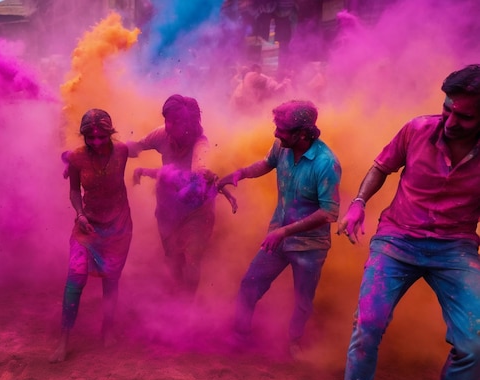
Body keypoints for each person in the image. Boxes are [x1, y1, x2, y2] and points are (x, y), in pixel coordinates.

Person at [319, 64, 480, 380]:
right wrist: (358, 204)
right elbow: (381, 167)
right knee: (368, 326)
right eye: (448, 109)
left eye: (465, 116)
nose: (451, 120)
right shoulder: (416, 129)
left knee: (475, 342)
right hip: (396, 239)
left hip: (455, 248)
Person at [217, 100, 341, 358]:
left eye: (282, 129)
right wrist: (239, 174)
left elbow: (329, 212)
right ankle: (240, 337)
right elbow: (266, 163)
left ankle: (294, 343)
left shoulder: (326, 163)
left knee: (302, 301)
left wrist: (284, 232)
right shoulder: (282, 147)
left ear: (303, 133)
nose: (276, 133)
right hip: (278, 238)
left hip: (309, 246)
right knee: (250, 283)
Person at [128, 94, 236, 300]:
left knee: (193, 257)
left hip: (197, 211)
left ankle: (188, 304)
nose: (169, 126)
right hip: (168, 209)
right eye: (167, 120)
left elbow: (199, 167)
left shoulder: (201, 143)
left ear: (191, 123)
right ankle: (177, 294)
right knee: (172, 256)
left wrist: (208, 176)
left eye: (175, 122)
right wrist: (110, 146)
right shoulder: (161, 134)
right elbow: (138, 147)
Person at [50, 109, 133, 363]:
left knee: (111, 278)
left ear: (110, 133)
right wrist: (80, 213)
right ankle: (64, 339)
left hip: (118, 226)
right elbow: (75, 191)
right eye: (90, 137)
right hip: (87, 225)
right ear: (84, 136)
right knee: (75, 277)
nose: (96, 142)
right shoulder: (77, 158)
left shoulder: (122, 152)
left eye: (101, 137)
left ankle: (107, 330)